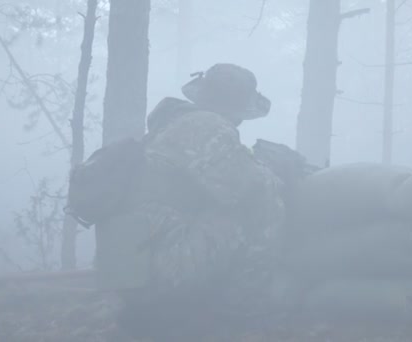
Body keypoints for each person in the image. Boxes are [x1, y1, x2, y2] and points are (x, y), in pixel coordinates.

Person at [101, 64, 285, 338]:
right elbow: (249, 188)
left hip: (126, 268)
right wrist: (277, 172)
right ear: (236, 105)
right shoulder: (208, 125)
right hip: (164, 264)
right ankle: (242, 313)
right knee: (264, 205)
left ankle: (155, 313)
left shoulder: (168, 125)